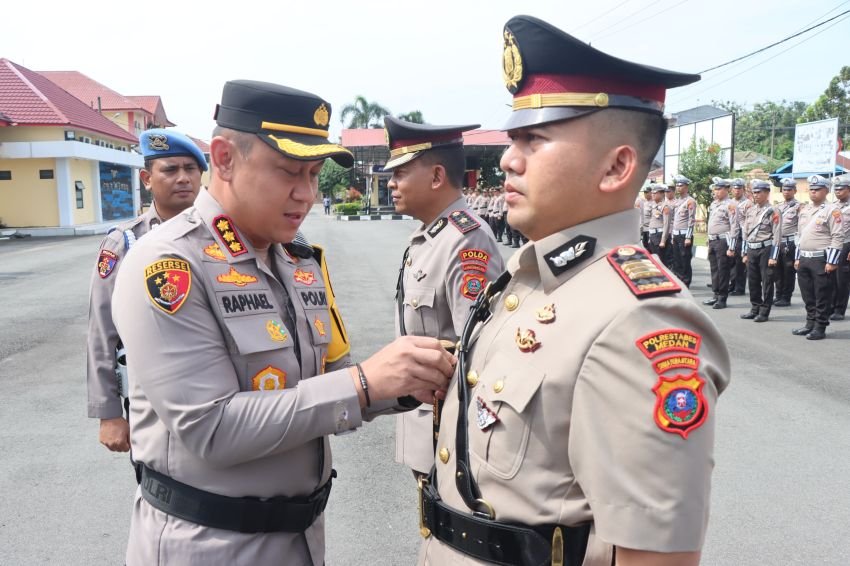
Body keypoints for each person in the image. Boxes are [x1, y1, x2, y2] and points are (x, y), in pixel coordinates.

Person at [417, 15, 731, 566]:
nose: (510, 159)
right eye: (514, 137)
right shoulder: (530, 281)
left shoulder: (640, 320)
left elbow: (656, 556)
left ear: (616, 167)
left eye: (534, 139)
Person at [111, 80, 454, 566]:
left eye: (314, 174)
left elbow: (322, 382)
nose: (307, 194)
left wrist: (402, 384)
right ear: (225, 159)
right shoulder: (168, 265)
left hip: (301, 540)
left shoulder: (297, 259)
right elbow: (210, 428)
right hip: (208, 545)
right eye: (291, 172)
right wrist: (362, 384)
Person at [383, 117, 506, 480]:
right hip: (425, 426)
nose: (391, 183)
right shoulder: (429, 236)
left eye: (401, 172)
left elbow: (478, 354)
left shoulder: (466, 241)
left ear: (437, 177)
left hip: (449, 433)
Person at [87, 128, 206, 454]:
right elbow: (102, 329)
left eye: (191, 169)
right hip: (148, 396)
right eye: (170, 169)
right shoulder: (125, 242)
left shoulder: (223, 237)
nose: (183, 178)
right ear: (147, 178)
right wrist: (108, 412)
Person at [791, 175, 844, 340]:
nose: (813, 192)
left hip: (821, 259)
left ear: (826, 191)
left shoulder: (832, 210)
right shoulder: (805, 209)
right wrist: (797, 257)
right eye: (811, 189)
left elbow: (838, 237)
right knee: (807, 294)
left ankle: (820, 326)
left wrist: (832, 261)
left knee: (822, 295)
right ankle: (809, 323)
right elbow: (799, 236)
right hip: (805, 259)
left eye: (817, 189)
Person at [739, 180, 781, 322]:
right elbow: (746, 233)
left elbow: (777, 235)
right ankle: (754, 307)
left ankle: (764, 311)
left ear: (767, 193)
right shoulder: (750, 210)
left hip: (766, 249)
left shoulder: (773, 211)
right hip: (752, 249)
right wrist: (744, 252)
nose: (755, 195)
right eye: (754, 192)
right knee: (753, 280)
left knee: (767, 281)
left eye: (759, 192)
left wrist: (773, 256)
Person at [703, 178, 737, 309]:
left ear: (726, 189)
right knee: (714, 269)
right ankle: (715, 295)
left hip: (723, 241)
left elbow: (734, 226)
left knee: (723, 270)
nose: (716, 192)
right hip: (713, 240)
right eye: (715, 189)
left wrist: (732, 247)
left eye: (719, 189)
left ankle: (722, 298)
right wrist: (708, 238)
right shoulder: (714, 204)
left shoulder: (730, 205)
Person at [774, 178, 800, 307]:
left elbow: (801, 227)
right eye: (784, 189)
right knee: (777, 271)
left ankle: (786, 297)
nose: (786, 192)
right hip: (778, 243)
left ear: (795, 191)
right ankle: (778, 295)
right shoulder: (778, 206)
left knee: (788, 271)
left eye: (789, 189)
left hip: (790, 243)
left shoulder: (799, 207)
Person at [829, 174, 850, 320]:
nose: (838, 191)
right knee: (830, 277)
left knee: (841, 279)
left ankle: (839, 309)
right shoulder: (833, 206)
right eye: (836, 189)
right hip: (832, 245)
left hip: (846, 245)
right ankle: (830, 306)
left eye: (841, 189)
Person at [670, 175, 697, 286]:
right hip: (676, 234)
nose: (678, 188)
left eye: (680, 185)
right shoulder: (677, 201)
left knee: (684, 259)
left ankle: (685, 281)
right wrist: (672, 236)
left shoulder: (690, 201)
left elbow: (691, 220)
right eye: (677, 185)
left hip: (684, 235)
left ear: (686, 187)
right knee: (677, 260)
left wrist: (688, 237)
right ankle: (678, 280)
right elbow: (674, 219)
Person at [728, 178, 749, 296]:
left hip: (741, 235)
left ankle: (739, 287)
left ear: (743, 190)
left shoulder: (747, 203)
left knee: (740, 263)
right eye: (735, 188)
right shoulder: (729, 203)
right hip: (731, 234)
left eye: (739, 189)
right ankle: (732, 284)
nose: (737, 191)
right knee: (731, 262)